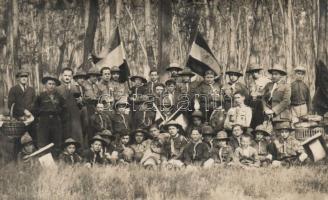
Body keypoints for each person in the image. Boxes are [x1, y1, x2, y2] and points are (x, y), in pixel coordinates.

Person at [33, 73, 65, 157]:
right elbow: (34, 110)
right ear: (45, 85)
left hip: (56, 122)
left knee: (56, 142)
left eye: (53, 84)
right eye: (49, 84)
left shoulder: (59, 97)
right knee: (43, 142)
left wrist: (58, 112)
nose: (51, 86)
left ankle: (56, 160)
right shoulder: (40, 96)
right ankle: (44, 162)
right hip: (44, 122)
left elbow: (64, 109)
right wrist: (43, 112)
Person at [8, 68, 36, 156]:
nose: (24, 78)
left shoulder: (31, 90)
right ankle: (17, 160)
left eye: (26, 76)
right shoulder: (13, 89)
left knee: (32, 139)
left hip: (30, 119)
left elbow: (34, 103)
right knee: (18, 140)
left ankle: (32, 158)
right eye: (22, 76)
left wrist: (30, 112)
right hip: (18, 120)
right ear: (18, 78)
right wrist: (23, 111)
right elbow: (11, 104)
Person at [57, 67, 83, 144]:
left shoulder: (75, 88)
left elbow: (80, 104)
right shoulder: (57, 89)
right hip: (63, 116)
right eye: (65, 75)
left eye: (69, 76)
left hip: (75, 116)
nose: (67, 77)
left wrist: (80, 101)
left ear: (71, 77)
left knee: (76, 135)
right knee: (65, 135)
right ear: (61, 76)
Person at [246, 62, 271, 128]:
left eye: (255, 72)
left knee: (261, 123)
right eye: (252, 72)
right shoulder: (250, 82)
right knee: (253, 123)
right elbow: (249, 93)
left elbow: (269, 94)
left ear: (259, 72)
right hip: (252, 104)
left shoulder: (266, 80)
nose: (254, 74)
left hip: (262, 104)